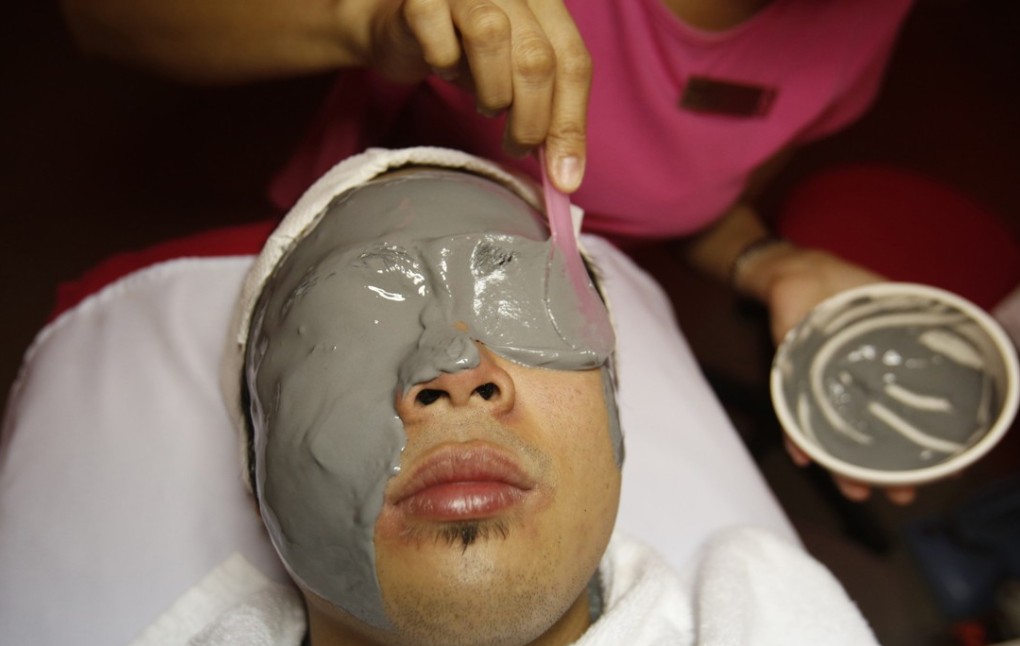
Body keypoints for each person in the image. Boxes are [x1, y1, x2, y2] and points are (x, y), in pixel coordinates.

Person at [61, 0, 915, 504]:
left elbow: (692, 200)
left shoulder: (864, 21)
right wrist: (369, 19)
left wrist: (766, 258)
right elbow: (103, 20)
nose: (463, 379)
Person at [145, 146, 908, 646]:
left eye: (521, 301)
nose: (457, 371)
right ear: (253, 463)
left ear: (613, 417)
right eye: (351, 327)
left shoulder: (775, 624)